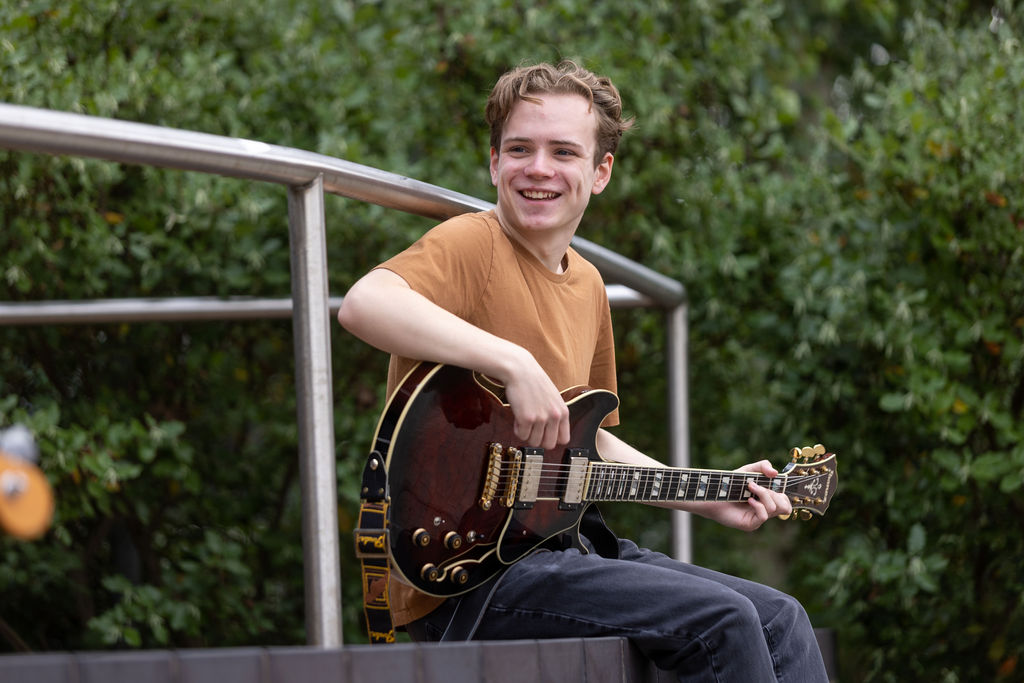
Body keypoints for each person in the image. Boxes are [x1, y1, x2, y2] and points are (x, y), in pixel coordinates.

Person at [338, 60, 829, 682]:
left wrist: (705, 496)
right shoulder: (473, 244)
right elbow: (364, 304)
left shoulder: (589, 284)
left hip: (563, 549)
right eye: (520, 148)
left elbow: (589, 439)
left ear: (600, 172)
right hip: (467, 576)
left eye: (563, 151)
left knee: (780, 618)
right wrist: (510, 360)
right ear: (495, 163)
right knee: (723, 622)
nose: (538, 168)